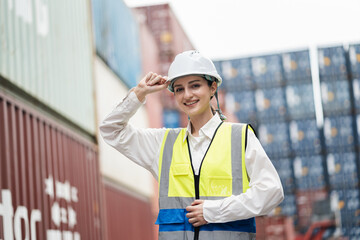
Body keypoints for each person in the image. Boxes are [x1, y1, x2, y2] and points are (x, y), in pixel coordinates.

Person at [100, 50, 284, 240]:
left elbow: (272, 192)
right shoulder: (163, 144)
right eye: (179, 89)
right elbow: (110, 130)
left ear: (213, 88)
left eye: (195, 86)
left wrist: (213, 211)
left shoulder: (240, 137)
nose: (187, 95)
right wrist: (139, 93)